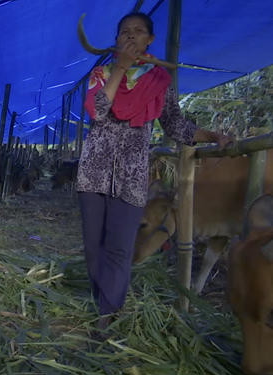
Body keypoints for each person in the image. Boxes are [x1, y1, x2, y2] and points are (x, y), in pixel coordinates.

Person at [75, 12, 232, 332]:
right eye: (124, 32)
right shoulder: (100, 75)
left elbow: (176, 125)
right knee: (94, 246)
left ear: (150, 40)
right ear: (117, 40)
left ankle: (107, 315)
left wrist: (213, 136)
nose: (131, 37)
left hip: (132, 179)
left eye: (138, 32)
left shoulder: (159, 81)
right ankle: (102, 298)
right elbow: (98, 111)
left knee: (120, 247)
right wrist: (120, 67)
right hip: (93, 174)